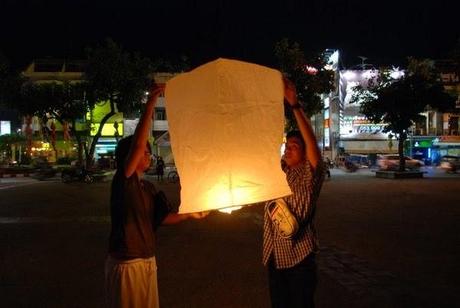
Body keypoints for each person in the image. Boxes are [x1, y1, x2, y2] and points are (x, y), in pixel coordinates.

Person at [105, 84, 208, 308]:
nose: (149, 155)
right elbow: (138, 144)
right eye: (145, 152)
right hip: (127, 264)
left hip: (147, 261)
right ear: (130, 156)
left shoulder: (147, 187)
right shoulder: (124, 181)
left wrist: (190, 214)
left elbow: (162, 218)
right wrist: (151, 104)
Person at [263, 78, 325, 308]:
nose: (287, 149)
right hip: (274, 258)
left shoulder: (309, 176)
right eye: (286, 146)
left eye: (294, 147)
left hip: (299, 258)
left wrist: (295, 105)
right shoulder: (278, 172)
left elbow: (313, 148)